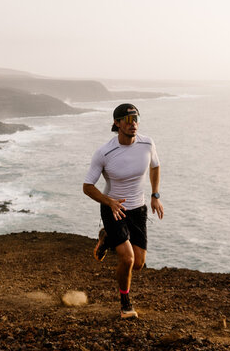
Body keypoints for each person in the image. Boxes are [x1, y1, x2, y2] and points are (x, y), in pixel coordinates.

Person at [83, 103, 164, 319]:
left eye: (136, 119)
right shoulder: (104, 152)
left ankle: (107, 237)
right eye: (128, 120)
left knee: (138, 264)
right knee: (127, 259)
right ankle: (125, 303)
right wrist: (109, 202)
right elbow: (87, 186)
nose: (133, 124)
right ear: (117, 123)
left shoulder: (147, 144)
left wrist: (156, 195)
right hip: (113, 209)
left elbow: (155, 166)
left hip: (138, 209)